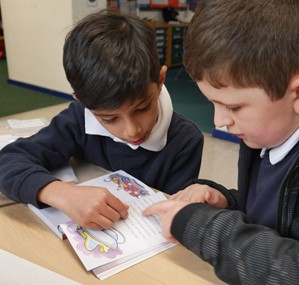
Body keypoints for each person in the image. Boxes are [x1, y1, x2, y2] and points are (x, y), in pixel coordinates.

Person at [143, 0, 299, 284]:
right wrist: (227, 201)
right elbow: (281, 210)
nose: (220, 121)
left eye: (234, 107)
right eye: (214, 104)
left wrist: (202, 226)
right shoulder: (275, 123)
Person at [0, 10, 203, 230]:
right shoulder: (77, 120)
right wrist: (61, 194)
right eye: (109, 118)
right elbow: (8, 161)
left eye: (143, 108)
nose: (132, 130)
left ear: (160, 80)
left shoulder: (185, 141)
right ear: (82, 102)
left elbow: (176, 215)